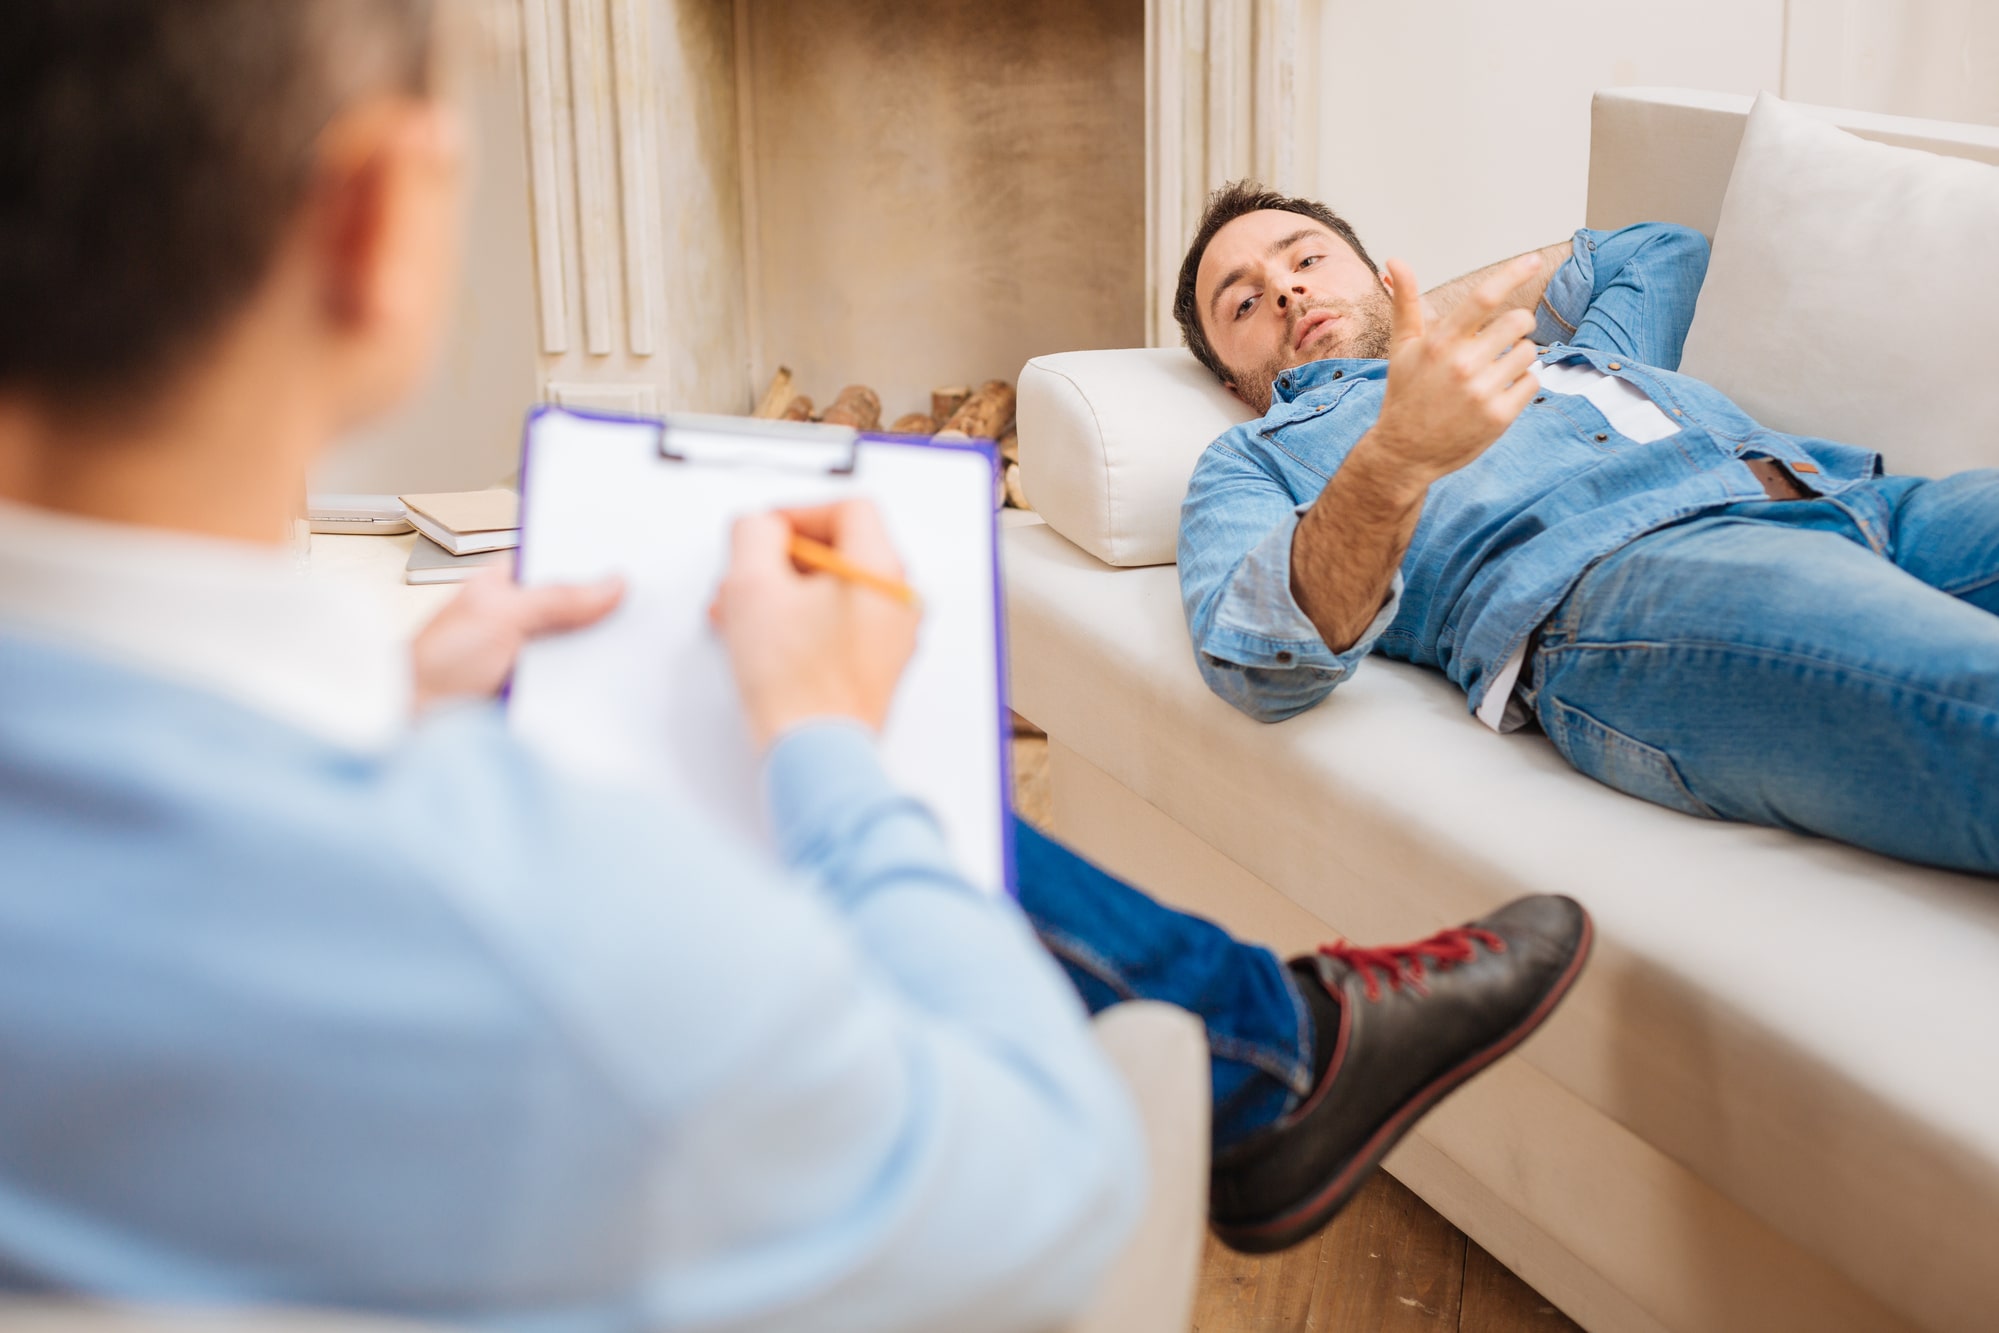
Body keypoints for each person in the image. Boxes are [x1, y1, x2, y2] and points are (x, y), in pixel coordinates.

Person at [0, 6, 1590, 1328]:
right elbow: (1047, 1206)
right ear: (373, 224)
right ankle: (1277, 1054)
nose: (1287, 294)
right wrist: (824, 742)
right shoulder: (527, 930)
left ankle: (1281, 1049)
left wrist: (390, 709)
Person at [1174, 181, 1999, 876]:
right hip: (1639, 588)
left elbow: (1658, 251)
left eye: (1307, 258)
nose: (1287, 291)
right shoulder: (1250, 457)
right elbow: (1257, 659)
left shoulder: (1557, 358)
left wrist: (1418, 320)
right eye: (1245, 302)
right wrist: (1394, 455)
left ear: (1378, 270)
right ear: (1229, 376)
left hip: (1859, 498)